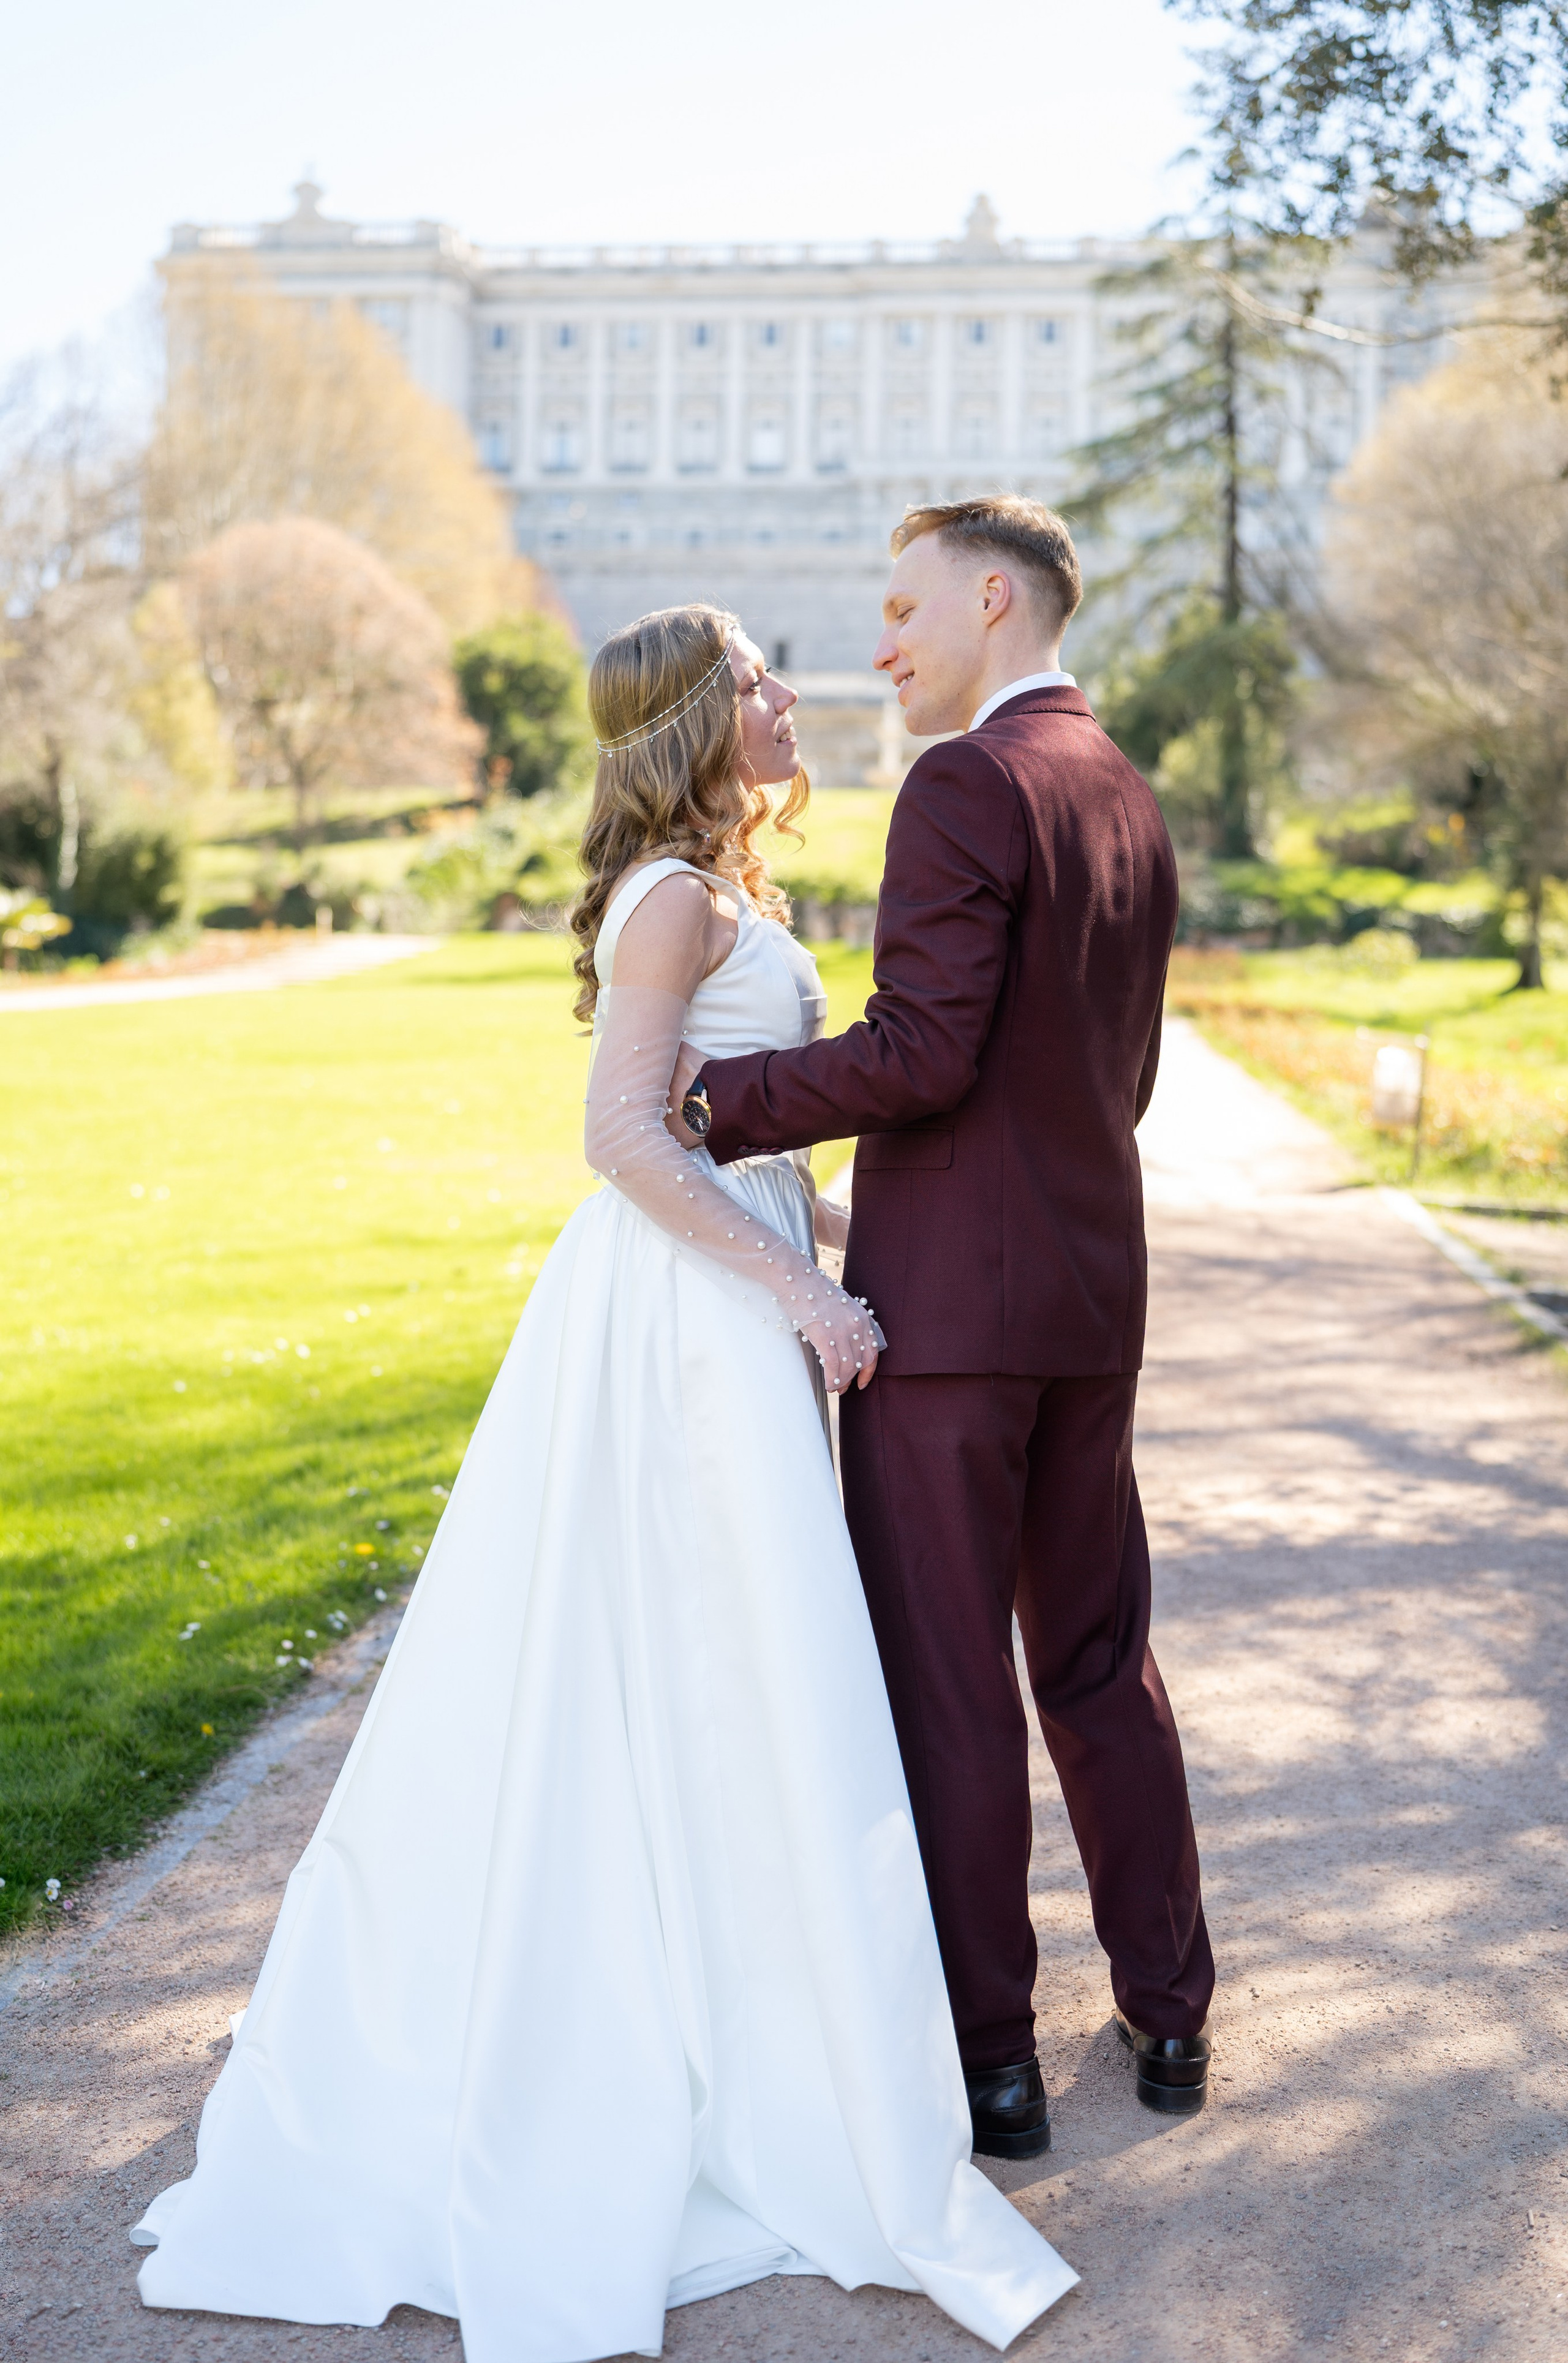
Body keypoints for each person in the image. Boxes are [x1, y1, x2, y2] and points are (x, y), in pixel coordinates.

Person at [131, 604, 1076, 2363]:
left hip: (729, 1301)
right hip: (681, 1332)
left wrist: (862, 1241)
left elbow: (749, 1143)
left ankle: (759, 2005)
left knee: (736, 1676)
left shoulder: (728, 890)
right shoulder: (675, 897)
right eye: (760, 683)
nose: (797, 698)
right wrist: (795, 1282)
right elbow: (622, 1133)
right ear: (696, 725)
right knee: (702, 1662)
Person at [672, 500, 1216, 2146]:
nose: (885, 644)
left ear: (996, 599)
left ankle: (995, 2057)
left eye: (904, 610)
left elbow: (922, 1052)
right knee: (1103, 1661)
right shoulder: (1124, 789)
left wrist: (720, 1100)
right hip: (1089, 1299)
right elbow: (1118, 1072)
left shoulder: (964, 782)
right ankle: (1170, 2016)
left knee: (950, 1682)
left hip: (949, 1326)